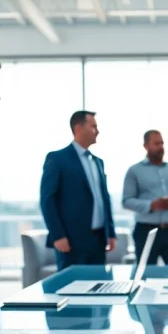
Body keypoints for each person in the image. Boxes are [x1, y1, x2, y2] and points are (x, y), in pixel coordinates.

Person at [40, 111, 117, 271]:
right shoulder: (57, 158)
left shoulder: (98, 162)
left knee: (98, 284)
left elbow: (104, 199)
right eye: (93, 126)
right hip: (71, 241)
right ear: (78, 128)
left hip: (98, 240)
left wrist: (110, 232)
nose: (97, 131)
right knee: (70, 284)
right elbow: (48, 200)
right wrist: (58, 235)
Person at [122, 130, 168, 264]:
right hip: (145, 232)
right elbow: (126, 201)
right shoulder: (134, 171)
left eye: (162, 143)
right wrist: (151, 206)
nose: (161, 147)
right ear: (145, 146)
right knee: (145, 273)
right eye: (156, 144)